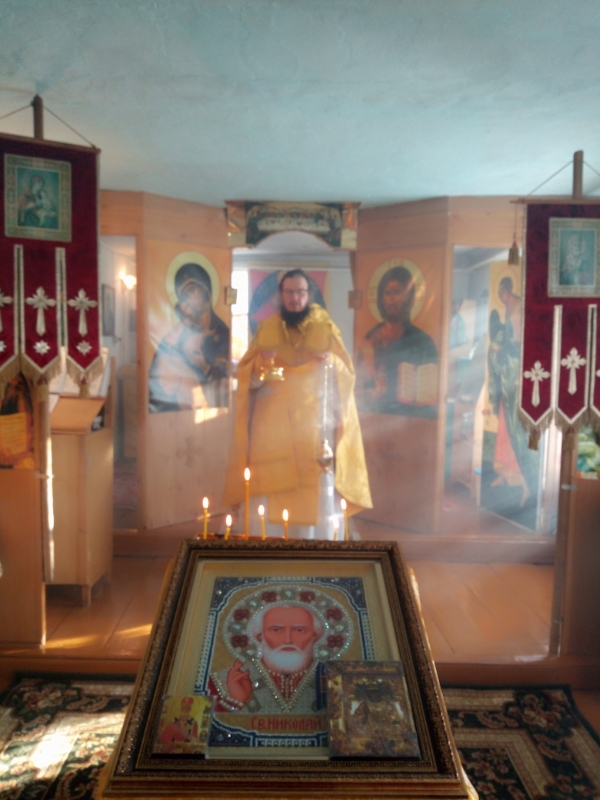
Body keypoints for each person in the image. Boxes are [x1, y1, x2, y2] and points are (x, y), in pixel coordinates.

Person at [222, 268, 371, 534]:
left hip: (313, 425)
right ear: (280, 295)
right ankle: (266, 544)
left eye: (300, 292)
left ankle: (314, 543)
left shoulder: (325, 328)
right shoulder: (267, 329)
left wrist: (331, 361)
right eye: (289, 292)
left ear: (309, 294)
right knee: (269, 483)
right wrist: (263, 362)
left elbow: (347, 374)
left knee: (314, 480)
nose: (295, 298)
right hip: (272, 429)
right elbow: (248, 382)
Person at [208, 604, 326, 714]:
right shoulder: (222, 682)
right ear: (260, 636)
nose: (288, 640)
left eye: (299, 630)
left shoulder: (330, 676)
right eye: (276, 630)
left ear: (315, 635)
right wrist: (236, 701)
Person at [149, 262, 230, 412]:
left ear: (206, 291)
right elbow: (157, 386)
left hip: (212, 414)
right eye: (182, 295)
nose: (187, 298)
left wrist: (204, 367)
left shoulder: (223, 335)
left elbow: (226, 381)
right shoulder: (174, 337)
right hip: (175, 416)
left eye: (191, 290)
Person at [357, 266, 438, 416]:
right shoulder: (370, 340)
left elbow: (430, 390)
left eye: (398, 292)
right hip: (378, 417)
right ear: (381, 298)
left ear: (407, 297)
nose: (392, 299)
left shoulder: (422, 340)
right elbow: (361, 387)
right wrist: (373, 392)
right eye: (388, 293)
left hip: (413, 419)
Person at [488, 278, 538, 506]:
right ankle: (506, 474)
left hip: (518, 377)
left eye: (504, 295)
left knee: (518, 432)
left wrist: (507, 352)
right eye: (500, 296)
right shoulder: (507, 311)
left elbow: (524, 344)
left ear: (509, 291)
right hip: (506, 379)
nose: (503, 299)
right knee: (505, 428)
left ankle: (526, 482)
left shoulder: (521, 309)